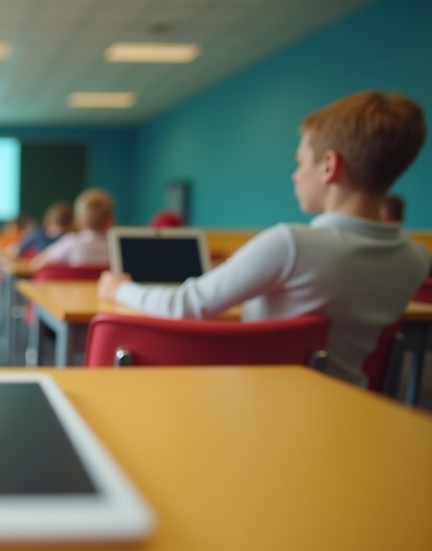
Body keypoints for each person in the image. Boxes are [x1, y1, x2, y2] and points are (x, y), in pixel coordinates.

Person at [98, 90, 430, 387]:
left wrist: (120, 288)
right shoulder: (416, 258)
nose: (295, 174)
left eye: (301, 161)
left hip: (264, 404)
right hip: (348, 407)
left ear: (329, 166)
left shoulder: (292, 244)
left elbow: (186, 305)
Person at [31, 189, 114, 269]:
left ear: (78, 222)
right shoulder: (115, 247)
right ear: (110, 222)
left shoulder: (71, 242)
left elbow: (37, 263)